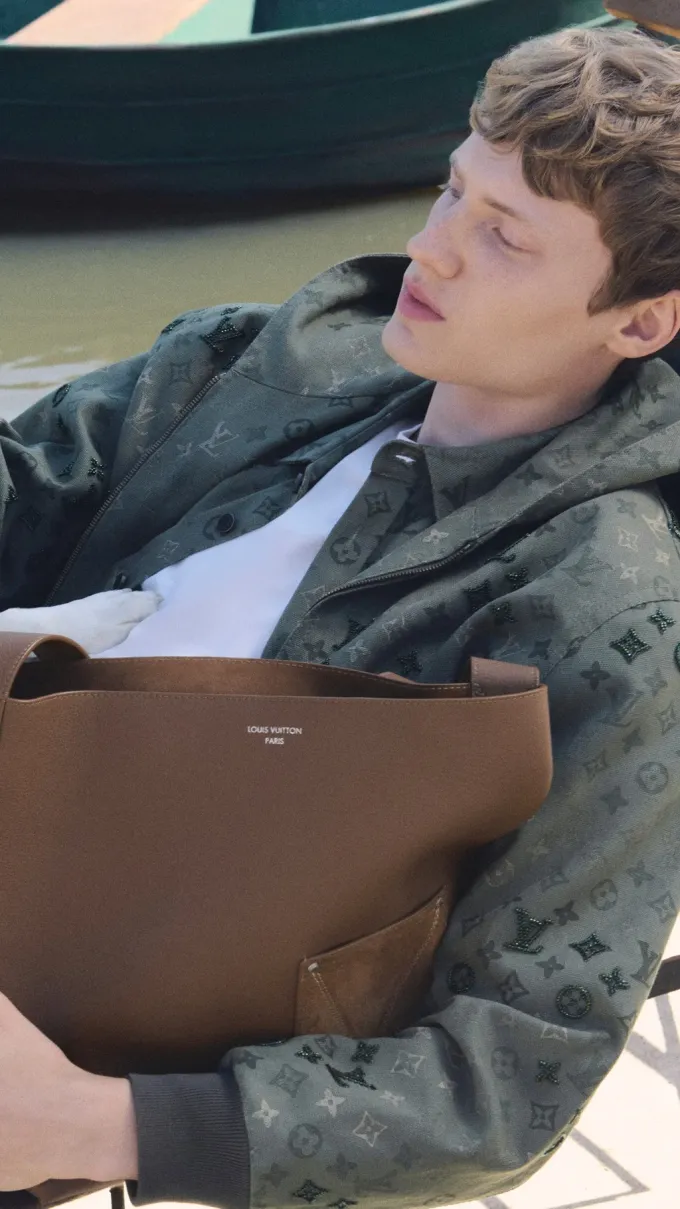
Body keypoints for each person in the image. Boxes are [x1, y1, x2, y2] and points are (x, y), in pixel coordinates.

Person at [2, 23, 680, 1209]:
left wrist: (103, 1124)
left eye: (503, 236)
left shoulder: (609, 612)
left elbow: (509, 1073)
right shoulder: (245, 363)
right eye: (451, 190)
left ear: (636, 322)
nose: (431, 248)